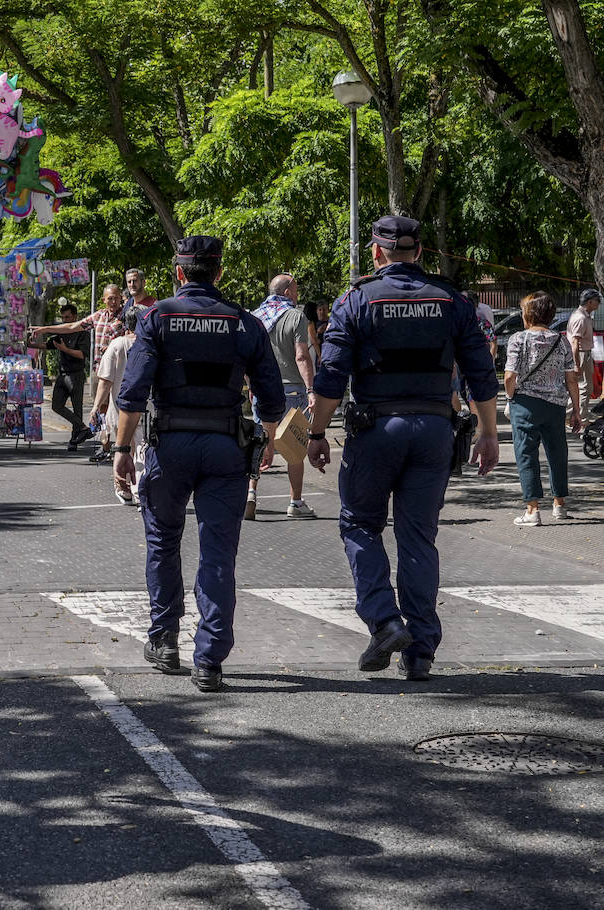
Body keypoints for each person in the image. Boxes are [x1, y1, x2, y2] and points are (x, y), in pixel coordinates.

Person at [305, 215, 499, 682]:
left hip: (375, 431)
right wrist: (489, 432)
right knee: (418, 536)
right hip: (434, 430)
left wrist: (315, 433)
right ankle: (421, 651)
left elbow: (330, 378)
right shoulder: (453, 300)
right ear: (419, 252)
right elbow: (480, 373)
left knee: (359, 525)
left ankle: (385, 622)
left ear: (376, 253)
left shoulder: (356, 300)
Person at [114, 236, 284, 693]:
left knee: (163, 541)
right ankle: (209, 660)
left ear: (178, 273)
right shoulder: (245, 323)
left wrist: (122, 451)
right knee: (218, 553)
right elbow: (272, 395)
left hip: (170, 447)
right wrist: (266, 440)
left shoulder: (157, 317)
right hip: (226, 447)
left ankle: (165, 639)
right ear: (220, 272)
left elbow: (131, 393)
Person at [504, 291, 581, 525]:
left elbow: (509, 376)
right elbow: (571, 379)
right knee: (557, 453)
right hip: (555, 406)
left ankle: (532, 509)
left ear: (528, 314)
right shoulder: (561, 340)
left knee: (526, 454)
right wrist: (576, 410)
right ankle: (559, 504)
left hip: (525, 404)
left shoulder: (518, 339)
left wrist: (511, 397)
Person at [247, 274, 317, 520]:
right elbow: (301, 356)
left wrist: (251, 385)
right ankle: (295, 503)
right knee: (294, 447)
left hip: (263, 390)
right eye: (296, 289)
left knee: (259, 444)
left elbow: (249, 358)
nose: (297, 294)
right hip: (293, 389)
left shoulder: (256, 317)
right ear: (287, 292)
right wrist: (311, 389)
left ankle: (250, 494)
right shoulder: (296, 316)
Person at [33, 284, 128, 401]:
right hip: (99, 369)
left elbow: (132, 338)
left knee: (116, 408)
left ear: (121, 298)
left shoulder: (126, 316)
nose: (113, 302)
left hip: (118, 371)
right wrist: (45, 329)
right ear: (104, 300)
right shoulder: (99, 315)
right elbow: (72, 327)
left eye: (116, 298)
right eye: (110, 298)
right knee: (99, 408)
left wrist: (113, 347)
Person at [91, 305, 143, 503]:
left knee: (121, 449)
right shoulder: (151, 344)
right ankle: (139, 489)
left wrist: (96, 406)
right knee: (141, 451)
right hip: (145, 409)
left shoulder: (117, 345)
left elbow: (105, 381)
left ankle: (123, 487)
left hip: (119, 409)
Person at [31, 300, 92, 449]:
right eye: (63, 318)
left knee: (77, 409)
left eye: (68, 317)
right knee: (56, 405)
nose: (65, 320)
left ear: (75, 317)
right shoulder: (61, 332)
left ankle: (74, 441)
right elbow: (48, 345)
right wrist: (30, 344)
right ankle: (83, 428)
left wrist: (65, 349)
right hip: (62, 375)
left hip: (76, 375)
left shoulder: (82, 333)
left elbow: (82, 355)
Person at [568, 288, 601, 411]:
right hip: (581, 354)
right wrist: (577, 364)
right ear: (590, 302)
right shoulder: (580, 318)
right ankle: (579, 417)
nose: (599, 303)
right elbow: (574, 343)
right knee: (584, 387)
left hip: (584, 354)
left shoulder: (584, 316)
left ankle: (575, 415)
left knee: (585, 387)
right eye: (597, 300)